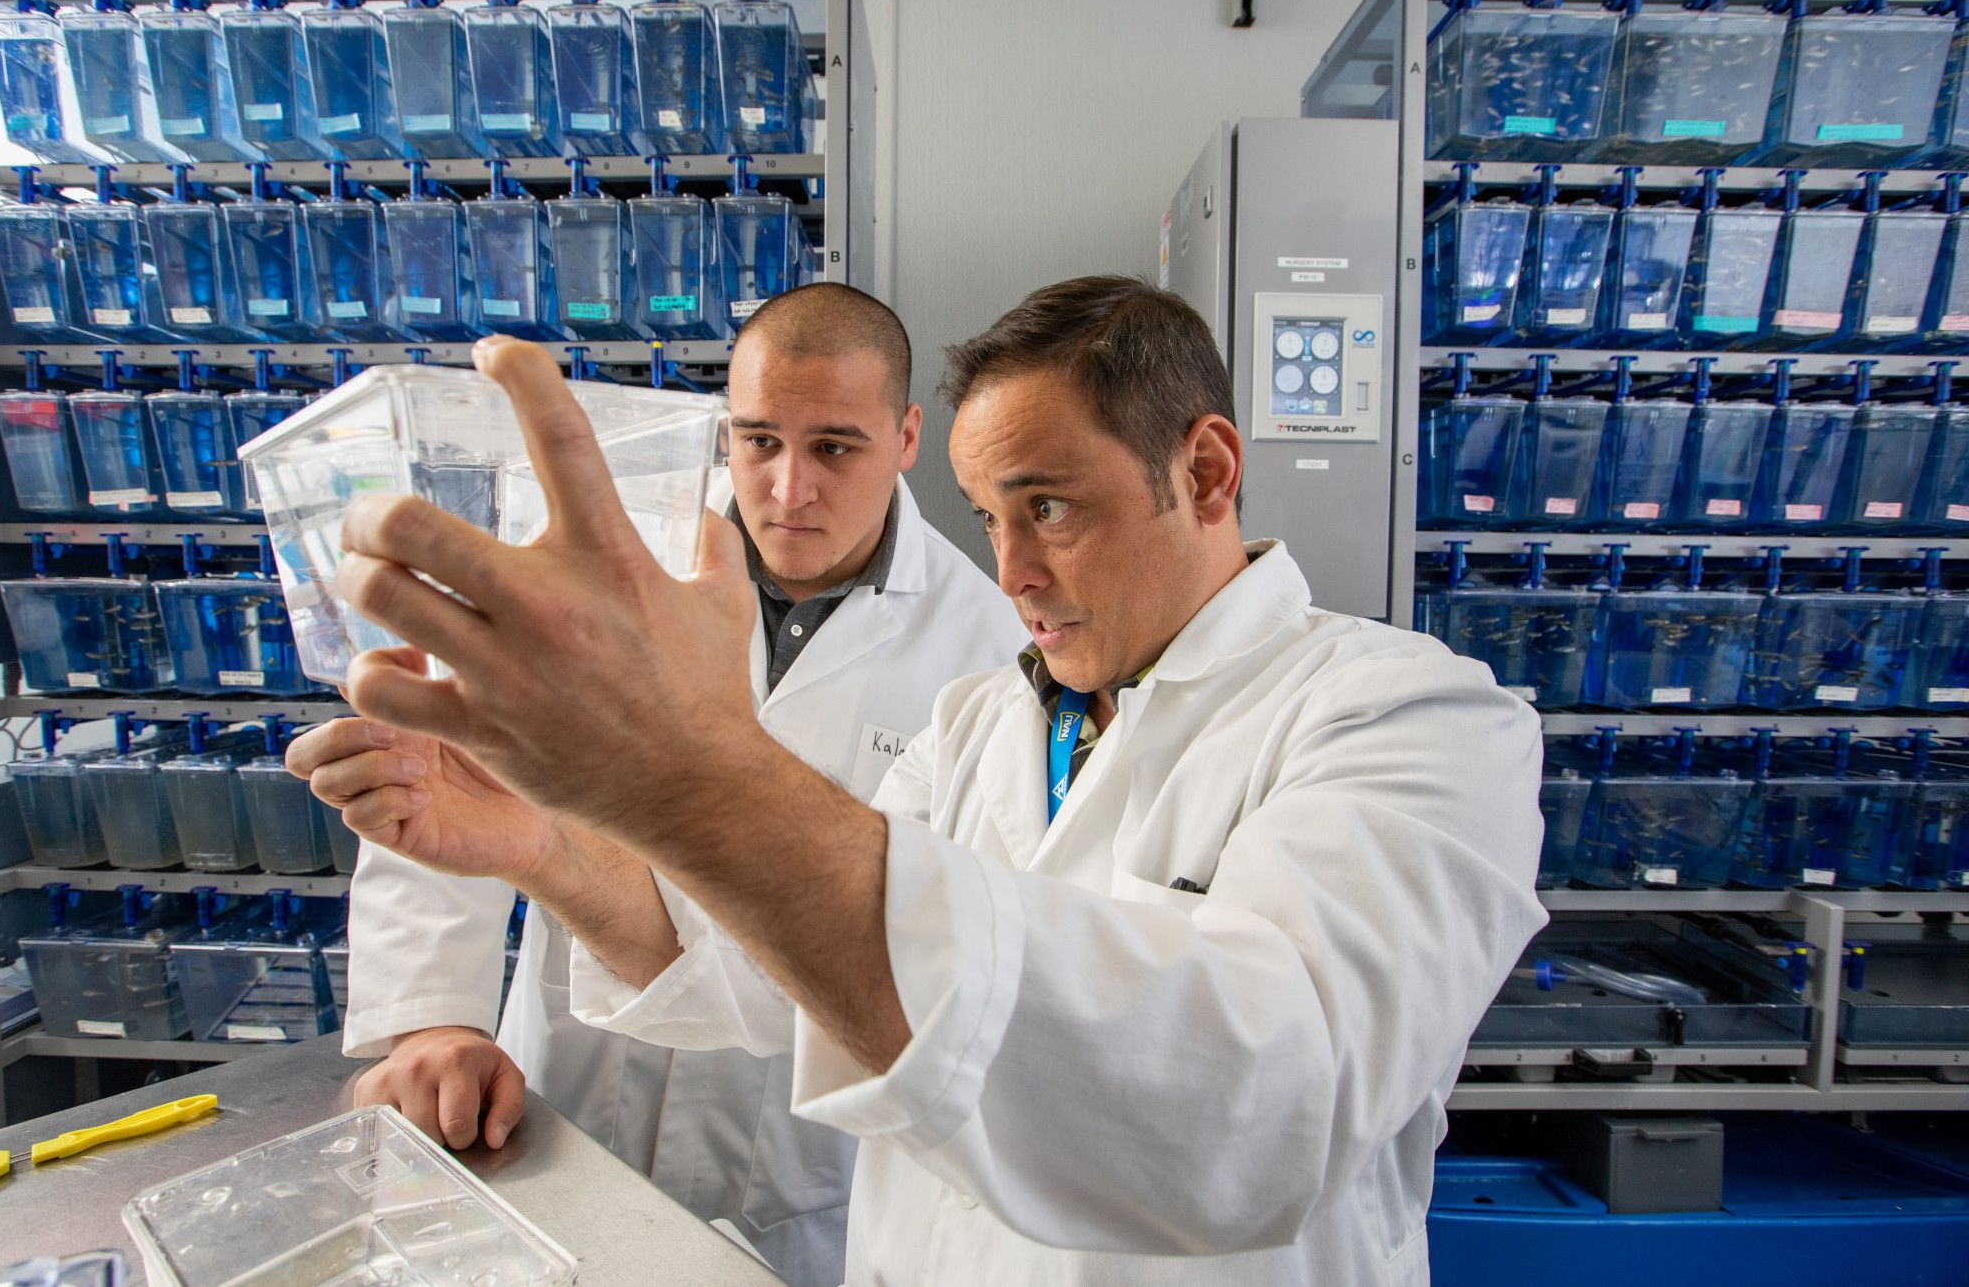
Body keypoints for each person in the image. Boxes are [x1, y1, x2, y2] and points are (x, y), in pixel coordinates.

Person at [296, 275, 1546, 1285]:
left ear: (1207, 472)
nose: (1010, 573)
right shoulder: (980, 723)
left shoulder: (1412, 718)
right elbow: (764, 983)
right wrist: (537, 851)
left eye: (1047, 507)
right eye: (990, 517)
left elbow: (1250, 1111)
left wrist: (683, 774)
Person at [297, 283, 1025, 1286]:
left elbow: (917, 956)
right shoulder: (613, 558)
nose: (788, 488)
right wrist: (433, 1020)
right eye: (759, 441)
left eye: (834, 448)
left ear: (905, 438)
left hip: (794, 1175)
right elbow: (455, 774)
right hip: (556, 1107)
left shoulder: (987, 646)